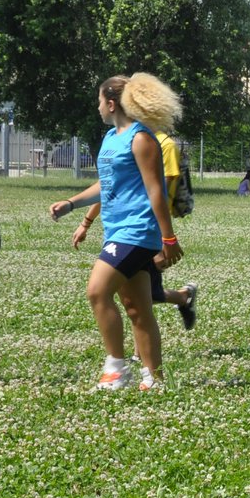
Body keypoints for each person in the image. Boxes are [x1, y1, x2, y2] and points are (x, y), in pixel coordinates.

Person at [50, 73, 184, 390]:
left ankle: (116, 370)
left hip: (137, 232)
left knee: (97, 291)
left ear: (111, 103)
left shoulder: (141, 139)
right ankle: (154, 378)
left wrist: (168, 239)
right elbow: (106, 184)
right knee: (138, 308)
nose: (97, 107)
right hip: (117, 231)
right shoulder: (111, 139)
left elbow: (156, 191)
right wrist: (72, 204)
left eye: (99, 101)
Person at [72, 124, 200, 332]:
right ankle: (183, 297)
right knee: (143, 295)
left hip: (145, 230)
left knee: (139, 297)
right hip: (125, 232)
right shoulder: (123, 139)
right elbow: (110, 187)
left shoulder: (164, 145)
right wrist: (86, 222)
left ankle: (139, 355)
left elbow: (157, 194)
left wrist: (162, 241)